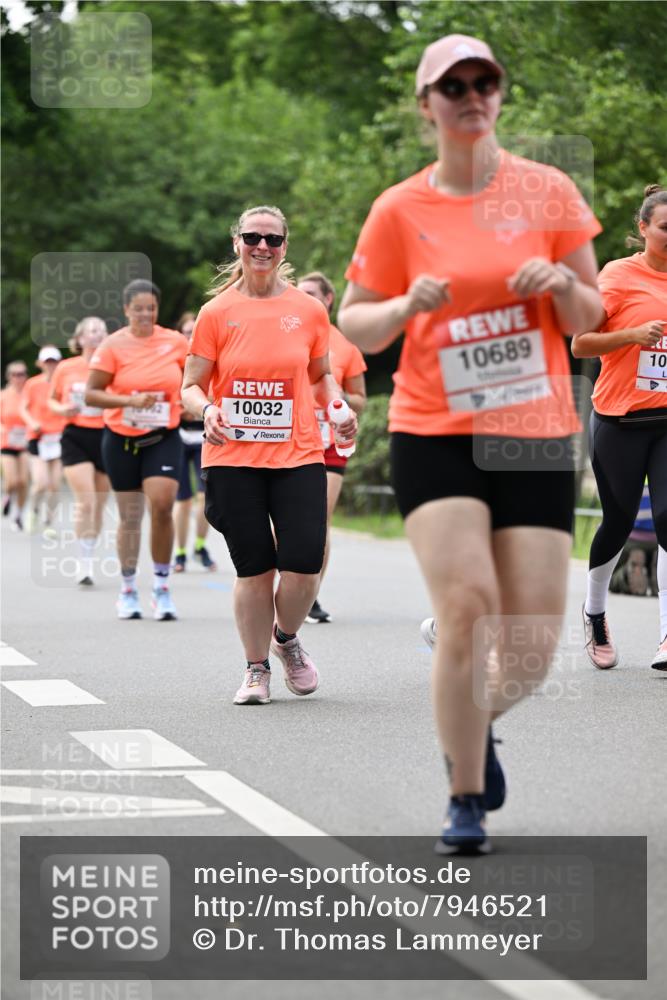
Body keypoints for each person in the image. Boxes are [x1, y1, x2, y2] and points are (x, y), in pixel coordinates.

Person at [338, 34, 604, 850]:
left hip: (530, 431)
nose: (469, 93)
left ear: (498, 94)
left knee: (528, 644)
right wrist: (402, 307)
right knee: (466, 610)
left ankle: (470, 723)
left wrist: (560, 283)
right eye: (450, 84)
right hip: (435, 429)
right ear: (426, 105)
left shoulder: (548, 191)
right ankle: (463, 797)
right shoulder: (399, 208)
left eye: (483, 80)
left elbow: (591, 317)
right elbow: (353, 319)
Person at [182, 204, 357, 706]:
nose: (263, 247)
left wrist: (339, 407)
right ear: (237, 241)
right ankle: (256, 668)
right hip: (233, 457)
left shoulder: (308, 310)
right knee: (254, 568)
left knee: (302, 564)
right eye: (253, 237)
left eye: (273, 240)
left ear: (285, 247)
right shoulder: (217, 313)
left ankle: (286, 641)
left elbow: (322, 377)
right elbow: (190, 386)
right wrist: (208, 408)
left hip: (298, 453)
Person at [572, 184, 667, 671]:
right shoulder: (617, 276)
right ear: (643, 228)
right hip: (621, 419)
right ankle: (595, 611)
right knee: (619, 521)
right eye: (666, 228)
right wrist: (632, 335)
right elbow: (581, 344)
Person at [85, 280, 188, 621]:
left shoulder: (175, 341)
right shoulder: (113, 345)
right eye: (139, 308)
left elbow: (194, 382)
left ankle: (161, 587)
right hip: (121, 439)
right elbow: (92, 394)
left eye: (151, 308)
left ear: (157, 310)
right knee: (130, 515)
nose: (145, 314)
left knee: (161, 505)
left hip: (163, 436)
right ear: (126, 309)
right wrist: (128, 400)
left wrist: (191, 404)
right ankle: (128, 589)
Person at [297, 271, 367, 623]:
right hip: (290, 438)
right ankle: (289, 583)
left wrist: (336, 395)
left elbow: (361, 399)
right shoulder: (287, 331)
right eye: (299, 292)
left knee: (319, 520)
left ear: (328, 299)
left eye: (311, 293)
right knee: (285, 520)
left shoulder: (345, 344)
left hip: (330, 442)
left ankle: (310, 596)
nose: (304, 297)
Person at [48, 317, 111, 586]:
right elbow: (51, 400)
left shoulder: (112, 367)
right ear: (81, 338)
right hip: (76, 435)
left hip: (107, 436)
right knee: (86, 500)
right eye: (92, 331)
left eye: (102, 331)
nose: (97, 335)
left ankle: (89, 551)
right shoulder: (66, 367)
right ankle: (83, 563)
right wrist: (63, 410)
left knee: (98, 504)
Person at [172, 311, 216, 573]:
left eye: (194, 332)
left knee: (205, 497)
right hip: (177, 436)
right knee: (183, 499)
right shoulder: (172, 363)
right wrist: (183, 406)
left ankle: (200, 547)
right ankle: (179, 553)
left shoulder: (209, 358)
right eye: (186, 332)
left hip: (204, 434)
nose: (190, 337)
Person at [19, 345, 66, 534]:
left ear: (59, 363)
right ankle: (33, 510)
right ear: (40, 364)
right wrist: (32, 423)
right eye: (47, 362)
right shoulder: (32, 384)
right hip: (38, 437)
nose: (51, 366)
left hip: (59, 437)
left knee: (55, 484)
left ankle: (49, 523)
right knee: (40, 482)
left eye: (54, 362)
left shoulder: (64, 384)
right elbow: (23, 408)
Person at [0, 360, 29, 531]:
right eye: (15, 374)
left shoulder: (29, 394)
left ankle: (18, 514)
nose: (18, 378)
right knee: (12, 481)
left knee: (23, 481)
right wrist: (3, 429)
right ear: (9, 376)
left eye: (22, 374)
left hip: (25, 442)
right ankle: (8, 496)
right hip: (7, 442)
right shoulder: (3, 395)